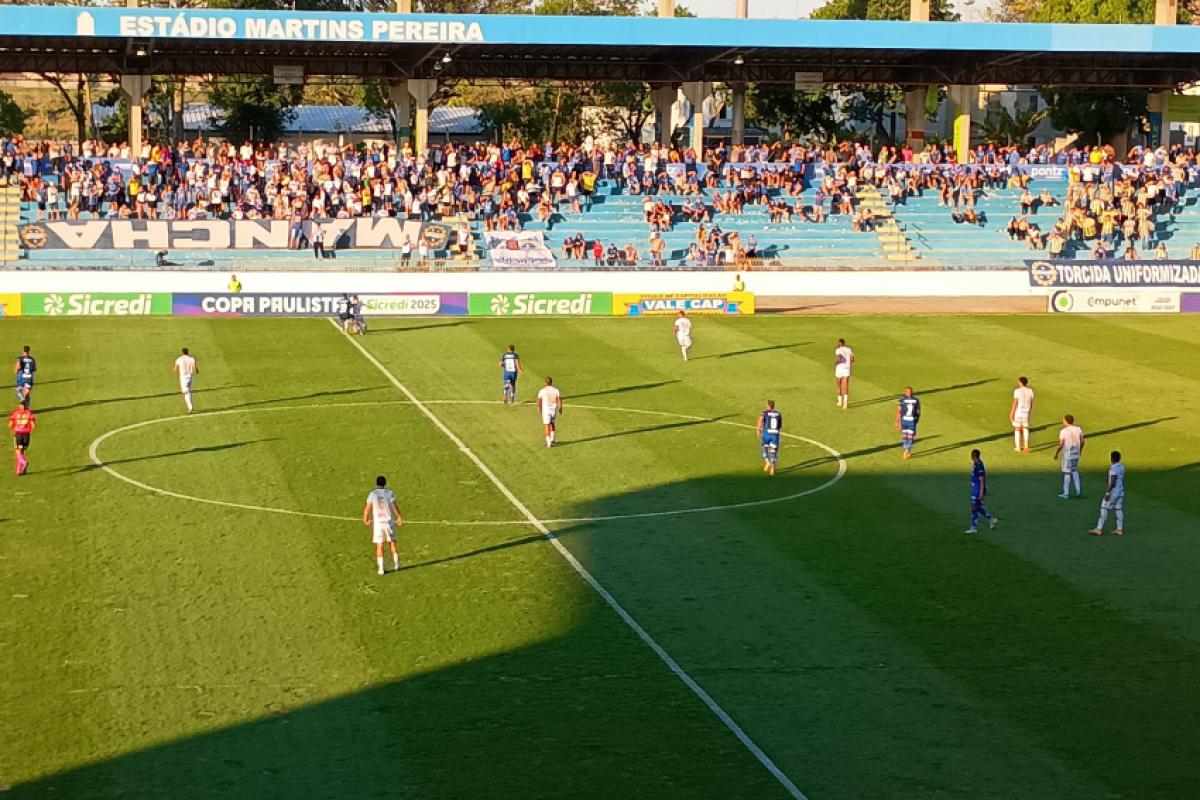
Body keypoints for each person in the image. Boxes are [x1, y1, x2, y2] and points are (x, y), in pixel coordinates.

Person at [362, 475, 402, 575]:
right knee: (392, 543)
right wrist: (399, 517)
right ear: (385, 484)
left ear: (376, 484)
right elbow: (394, 507)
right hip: (388, 522)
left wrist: (365, 519)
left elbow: (367, 508)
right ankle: (397, 565)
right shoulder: (390, 493)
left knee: (379, 545)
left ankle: (381, 569)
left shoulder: (372, 494)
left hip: (378, 524)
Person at [1090, 451, 1126, 537]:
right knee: (1118, 509)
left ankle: (1099, 529)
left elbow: (1112, 481)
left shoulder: (1113, 468)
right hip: (1120, 491)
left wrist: (1107, 493)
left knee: (1104, 507)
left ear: (1112, 458)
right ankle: (1119, 530)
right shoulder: (1122, 467)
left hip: (1113, 492)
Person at [966, 448, 999, 534]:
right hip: (976, 488)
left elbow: (982, 479)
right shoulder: (976, 463)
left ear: (973, 456)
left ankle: (974, 527)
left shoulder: (979, 465)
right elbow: (975, 475)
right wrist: (971, 481)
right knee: (977, 507)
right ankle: (991, 519)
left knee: (974, 508)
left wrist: (981, 493)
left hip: (978, 489)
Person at [1053, 414, 1085, 500]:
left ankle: (1066, 493)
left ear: (1066, 421)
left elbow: (1061, 444)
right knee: (1074, 471)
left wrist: (1056, 453)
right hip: (1076, 454)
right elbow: (1082, 441)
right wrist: (1080, 450)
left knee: (1067, 473)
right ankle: (1078, 491)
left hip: (1068, 455)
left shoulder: (1063, 431)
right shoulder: (1078, 429)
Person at [8, 400, 36, 476]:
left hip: (18, 435)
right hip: (26, 436)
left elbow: (10, 425)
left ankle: (24, 463)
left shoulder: (16, 413)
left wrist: (14, 428)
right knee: (21, 452)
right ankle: (19, 471)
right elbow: (33, 425)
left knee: (18, 452)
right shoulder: (29, 413)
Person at [756, 400, 783, 476]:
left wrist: (758, 429)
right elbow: (780, 425)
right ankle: (772, 470)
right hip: (775, 435)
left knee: (764, 446)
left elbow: (761, 420)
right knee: (773, 451)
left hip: (767, 434)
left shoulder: (764, 413)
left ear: (768, 406)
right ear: (773, 406)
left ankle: (767, 462)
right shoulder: (778, 414)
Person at [1010, 376, 1034, 453]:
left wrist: (1011, 413)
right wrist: (1029, 411)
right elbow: (1031, 403)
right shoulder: (1030, 391)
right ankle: (1026, 446)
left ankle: (1018, 447)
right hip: (1026, 412)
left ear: (1020, 382)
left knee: (1017, 428)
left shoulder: (1017, 391)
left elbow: (1015, 403)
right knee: (1025, 428)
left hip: (1018, 412)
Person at [895, 386, 921, 459]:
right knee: (905, 437)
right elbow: (899, 411)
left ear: (912, 392)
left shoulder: (915, 400)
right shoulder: (902, 400)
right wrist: (897, 421)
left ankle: (906, 451)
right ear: (905, 392)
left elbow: (918, 411)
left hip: (911, 421)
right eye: (908, 392)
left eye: (910, 391)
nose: (909, 393)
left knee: (910, 437)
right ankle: (908, 451)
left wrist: (917, 419)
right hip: (904, 421)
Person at [536, 377, 562, 448]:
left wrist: (539, 407)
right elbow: (559, 399)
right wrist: (560, 408)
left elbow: (539, 400)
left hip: (546, 410)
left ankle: (548, 442)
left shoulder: (542, 391)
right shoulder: (556, 390)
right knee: (552, 423)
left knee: (546, 425)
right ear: (551, 382)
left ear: (545, 383)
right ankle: (552, 439)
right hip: (553, 409)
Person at [172, 347, 198, 413]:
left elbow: (175, 369)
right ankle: (190, 406)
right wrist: (196, 371)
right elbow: (195, 368)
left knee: (186, 392)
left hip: (183, 378)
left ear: (182, 352)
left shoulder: (179, 359)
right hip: (191, 377)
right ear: (187, 352)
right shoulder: (192, 358)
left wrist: (175, 368)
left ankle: (190, 408)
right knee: (189, 391)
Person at [834, 338, 855, 409]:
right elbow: (852, 359)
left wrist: (835, 364)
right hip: (847, 369)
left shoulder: (838, 350)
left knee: (838, 384)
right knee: (846, 385)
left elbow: (838, 359)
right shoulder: (849, 349)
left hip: (840, 368)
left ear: (840, 343)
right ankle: (845, 403)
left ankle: (840, 401)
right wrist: (848, 363)